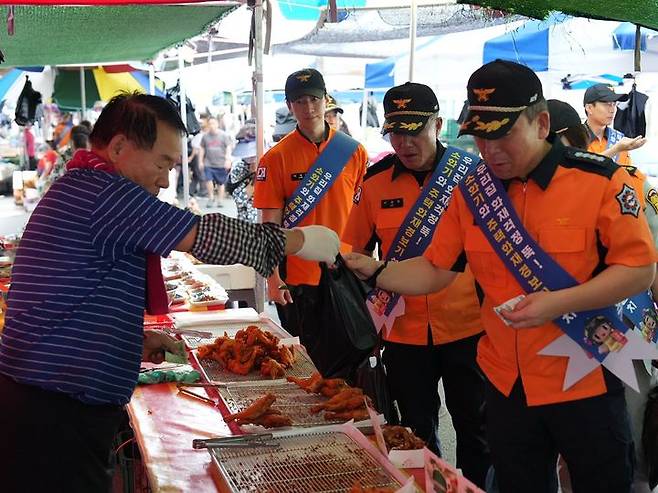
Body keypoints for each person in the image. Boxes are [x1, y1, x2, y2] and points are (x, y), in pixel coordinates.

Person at [0, 92, 341, 493]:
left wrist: (132, 340)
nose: (165, 180)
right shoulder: (104, 192)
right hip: (54, 410)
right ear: (119, 147)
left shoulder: (83, 187)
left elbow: (76, 295)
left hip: (47, 401)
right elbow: (201, 234)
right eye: (162, 163)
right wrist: (295, 241)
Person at [345, 60, 657, 492]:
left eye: (503, 133)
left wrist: (556, 304)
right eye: (480, 135)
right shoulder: (472, 191)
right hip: (505, 382)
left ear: (542, 122)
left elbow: (639, 270)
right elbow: (435, 270)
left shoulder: (600, 181)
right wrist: (378, 270)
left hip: (584, 377)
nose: (489, 149)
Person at [342, 81, 490, 486]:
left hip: (469, 328)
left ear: (438, 124)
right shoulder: (373, 184)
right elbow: (351, 250)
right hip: (403, 334)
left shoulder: (474, 176)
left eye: (415, 129)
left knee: (476, 431)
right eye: (396, 132)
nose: (405, 142)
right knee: (414, 432)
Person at [549, 98, 658, 493]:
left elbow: (654, 261)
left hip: (624, 334)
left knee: (631, 438)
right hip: (554, 341)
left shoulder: (628, 181)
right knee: (569, 449)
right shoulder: (518, 197)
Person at [254, 68, 368, 342]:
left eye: (314, 99)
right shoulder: (275, 158)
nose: (308, 108)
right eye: (300, 101)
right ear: (289, 105)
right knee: (304, 360)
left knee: (351, 355)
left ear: (326, 99)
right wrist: (272, 279)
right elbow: (269, 225)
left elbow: (365, 218)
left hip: (345, 270)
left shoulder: (354, 151)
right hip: (297, 277)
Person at [583, 83, 646, 164]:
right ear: (589, 108)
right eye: (607, 104)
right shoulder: (574, 138)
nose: (612, 110)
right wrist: (616, 149)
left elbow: (626, 172)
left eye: (614, 104)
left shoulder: (619, 139)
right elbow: (581, 168)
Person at [200, 115, 233, 207]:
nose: (211, 125)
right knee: (208, 180)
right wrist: (200, 161)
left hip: (221, 163)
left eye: (213, 123)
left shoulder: (224, 135)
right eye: (210, 123)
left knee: (220, 183)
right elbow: (202, 148)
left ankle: (220, 200)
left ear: (217, 124)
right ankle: (211, 198)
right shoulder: (205, 136)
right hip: (208, 162)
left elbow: (228, 148)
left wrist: (228, 159)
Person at [229, 124, 258, 223]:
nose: (250, 158)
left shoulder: (271, 165)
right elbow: (240, 200)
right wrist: (254, 176)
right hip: (246, 223)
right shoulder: (238, 168)